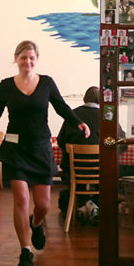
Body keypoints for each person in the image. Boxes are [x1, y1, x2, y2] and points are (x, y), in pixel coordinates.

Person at [0, 40, 90, 266]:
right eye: (23, 58)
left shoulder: (47, 83)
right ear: (16, 59)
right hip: (15, 148)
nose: (27, 62)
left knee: (42, 204)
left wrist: (78, 122)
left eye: (31, 58)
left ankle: (37, 223)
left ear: (36, 59)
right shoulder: (6, 85)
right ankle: (25, 250)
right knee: (21, 199)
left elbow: (61, 107)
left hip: (40, 147)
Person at [56, 86, 101, 216]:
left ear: (83, 99)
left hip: (74, 168)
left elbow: (60, 141)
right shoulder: (106, 116)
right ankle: (94, 205)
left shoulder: (73, 115)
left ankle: (81, 204)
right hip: (99, 168)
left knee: (72, 173)